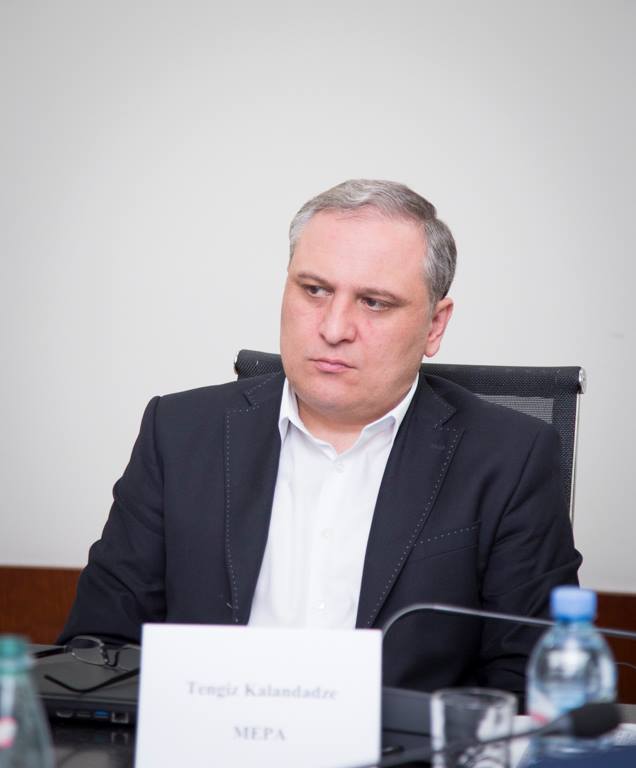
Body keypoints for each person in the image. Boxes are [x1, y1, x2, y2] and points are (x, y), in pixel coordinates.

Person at [60, 179, 581, 698]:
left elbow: (535, 683)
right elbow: (100, 645)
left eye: (374, 302)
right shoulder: (179, 432)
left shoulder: (509, 459)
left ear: (434, 326)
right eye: (314, 290)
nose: (334, 328)